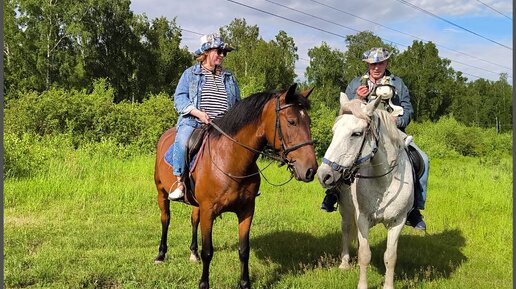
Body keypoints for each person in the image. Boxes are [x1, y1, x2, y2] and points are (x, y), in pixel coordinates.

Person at [320, 47, 429, 231]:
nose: (376, 68)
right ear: (367, 65)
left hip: (391, 132)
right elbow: (344, 111)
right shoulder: (356, 83)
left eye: (380, 63)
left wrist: (398, 120)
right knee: (341, 156)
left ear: (386, 63)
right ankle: (333, 193)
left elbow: (408, 110)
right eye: (372, 64)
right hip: (361, 133)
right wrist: (356, 98)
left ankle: (414, 208)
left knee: (423, 159)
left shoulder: (398, 84)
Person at [167, 33, 241, 201]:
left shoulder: (229, 77)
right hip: (195, 122)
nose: (222, 55)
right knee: (182, 141)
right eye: (219, 51)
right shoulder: (190, 74)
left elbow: (237, 102)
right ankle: (180, 183)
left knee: (245, 143)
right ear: (207, 52)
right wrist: (198, 113)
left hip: (225, 125)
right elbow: (179, 98)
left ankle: (247, 183)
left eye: (224, 53)